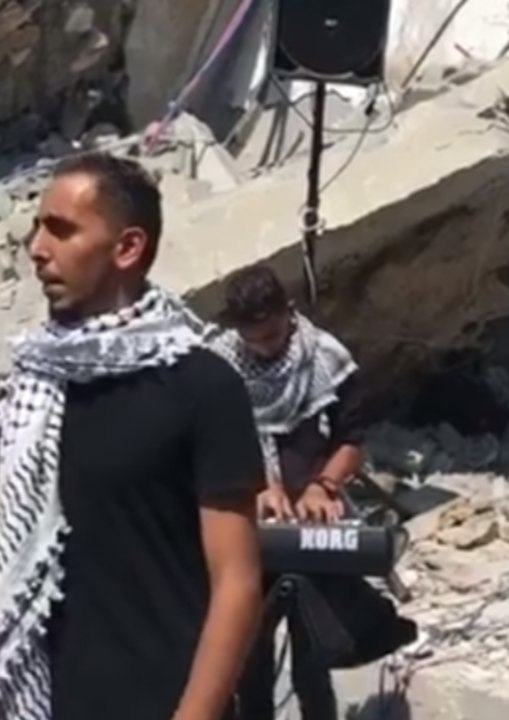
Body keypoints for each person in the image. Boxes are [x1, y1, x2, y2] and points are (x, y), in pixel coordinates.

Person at [0, 153, 264, 719]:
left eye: (62, 229)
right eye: (37, 227)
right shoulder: (34, 386)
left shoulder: (201, 384)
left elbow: (238, 583)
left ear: (127, 248)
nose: (38, 248)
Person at [212, 264, 415, 720]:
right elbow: (210, 442)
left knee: (314, 647)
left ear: (289, 312)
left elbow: (351, 439)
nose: (265, 348)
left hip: (311, 520)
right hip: (247, 521)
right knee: (247, 651)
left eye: (273, 334)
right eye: (254, 339)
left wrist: (324, 486)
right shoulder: (217, 366)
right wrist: (258, 486)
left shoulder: (326, 358)